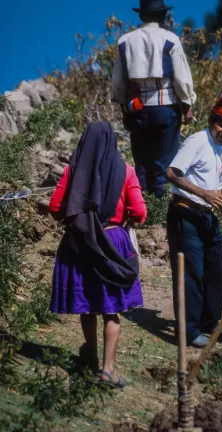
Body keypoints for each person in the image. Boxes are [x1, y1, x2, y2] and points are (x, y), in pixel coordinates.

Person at [49, 122, 147, 388]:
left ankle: (90, 357)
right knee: (111, 308)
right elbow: (140, 212)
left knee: (88, 304)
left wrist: (79, 217)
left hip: (80, 241)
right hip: (113, 241)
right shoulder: (126, 171)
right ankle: (107, 370)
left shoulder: (73, 170)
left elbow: (56, 206)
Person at [166, 90, 222, 347]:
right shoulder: (197, 142)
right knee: (192, 274)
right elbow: (171, 173)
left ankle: (209, 324)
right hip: (185, 213)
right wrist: (204, 194)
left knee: (216, 273)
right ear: (212, 120)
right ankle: (189, 333)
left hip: (208, 216)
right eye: (221, 123)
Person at [112, 0, 196, 198]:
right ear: (162, 15)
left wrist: (124, 107)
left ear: (141, 15)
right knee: (163, 163)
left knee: (142, 163)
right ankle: (158, 208)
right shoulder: (170, 40)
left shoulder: (125, 42)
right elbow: (181, 78)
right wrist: (187, 103)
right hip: (166, 108)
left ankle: (139, 206)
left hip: (137, 109)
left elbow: (118, 82)